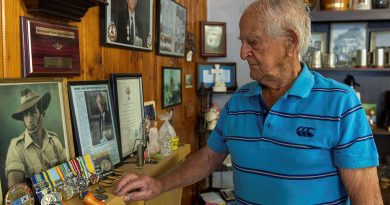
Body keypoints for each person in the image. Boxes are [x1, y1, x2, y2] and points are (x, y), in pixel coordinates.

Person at [114, 1, 383, 204]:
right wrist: (159, 184)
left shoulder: (340, 104)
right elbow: (209, 157)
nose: (243, 53)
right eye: (242, 42)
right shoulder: (240, 99)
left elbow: (367, 199)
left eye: (252, 42)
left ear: (290, 42)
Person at [5, 89, 66, 188]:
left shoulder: (53, 140)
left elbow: (68, 167)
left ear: (42, 113)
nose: (29, 120)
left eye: (33, 112)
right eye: (25, 115)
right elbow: (15, 192)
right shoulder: (16, 147)